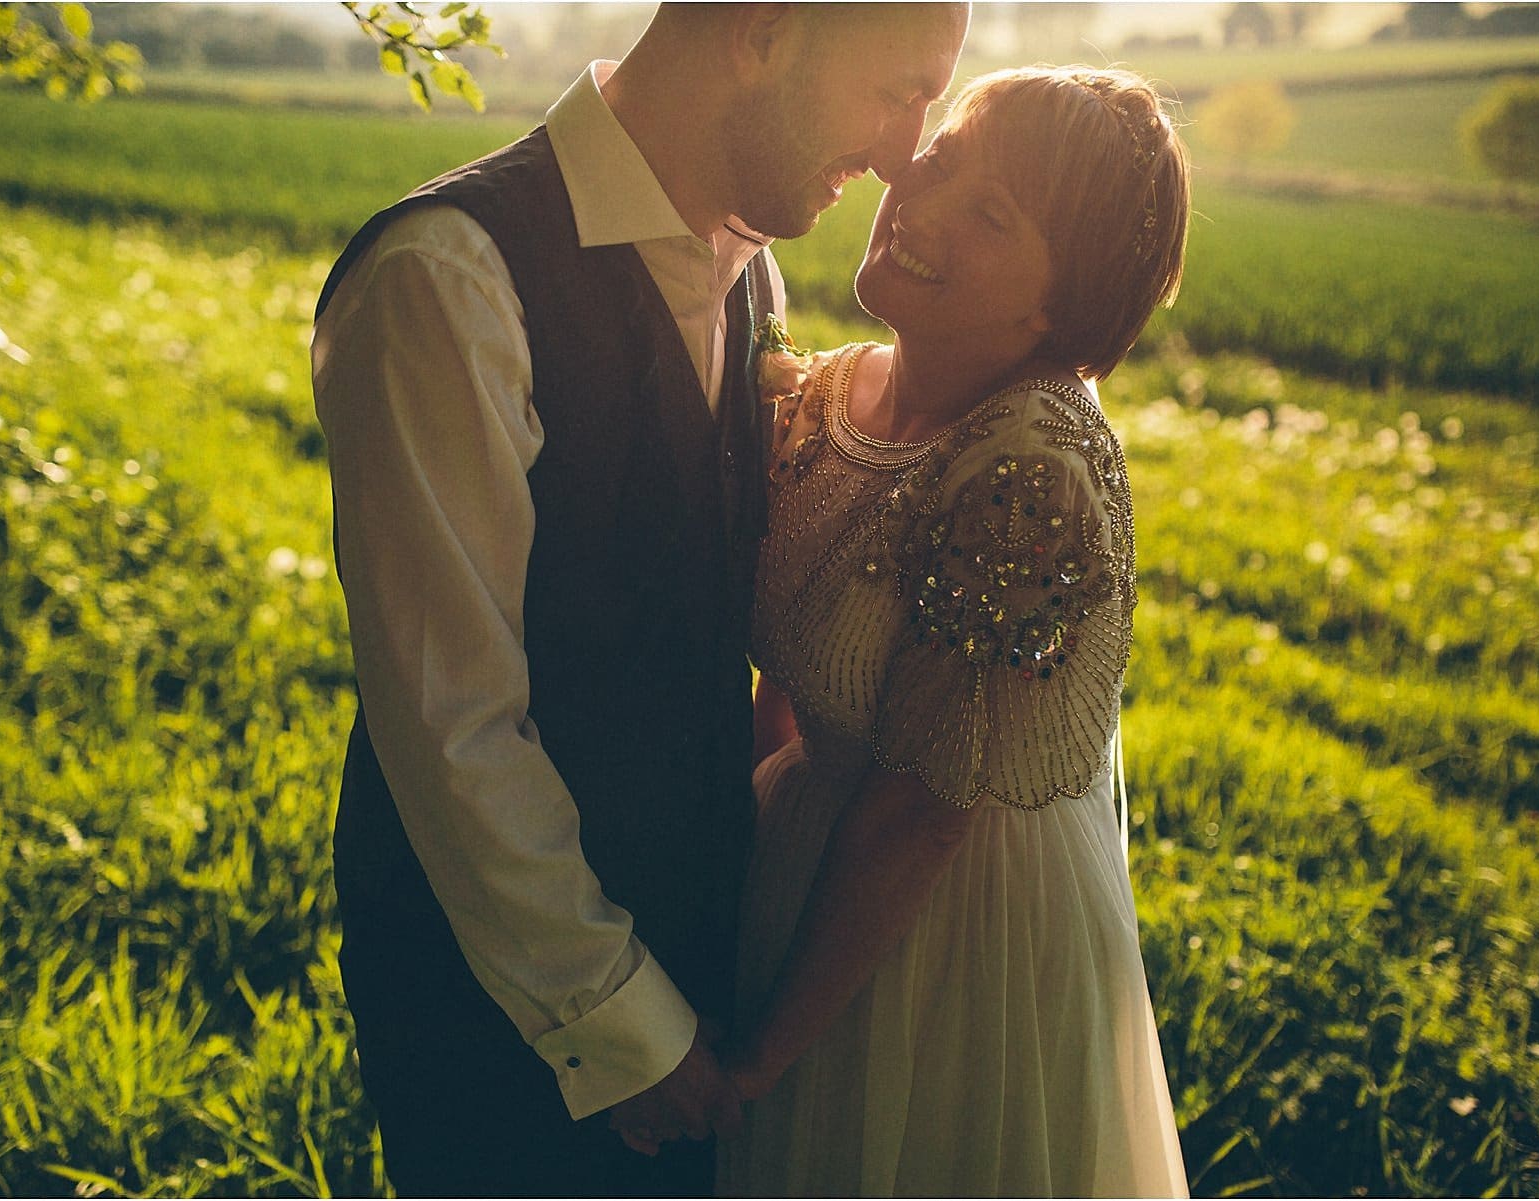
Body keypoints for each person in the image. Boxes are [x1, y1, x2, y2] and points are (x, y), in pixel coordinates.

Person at [309, 5, 970, 1195]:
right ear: (764, 29)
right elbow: (452, 724)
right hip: (506, 1013)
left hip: (702, 965)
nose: (903, 154)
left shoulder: (750, 267)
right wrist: (622, 1024)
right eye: (896, 91)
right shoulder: (446, 280)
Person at [716, 66, 1192, 1196]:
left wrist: (756, 1062)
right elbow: (798, 665)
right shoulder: (838, 392)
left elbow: (926, 813)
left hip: (945, 934)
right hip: (816, 854)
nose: (917, 202)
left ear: (1057, 305)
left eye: (990, 213)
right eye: (942, 162)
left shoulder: (1032, 468)